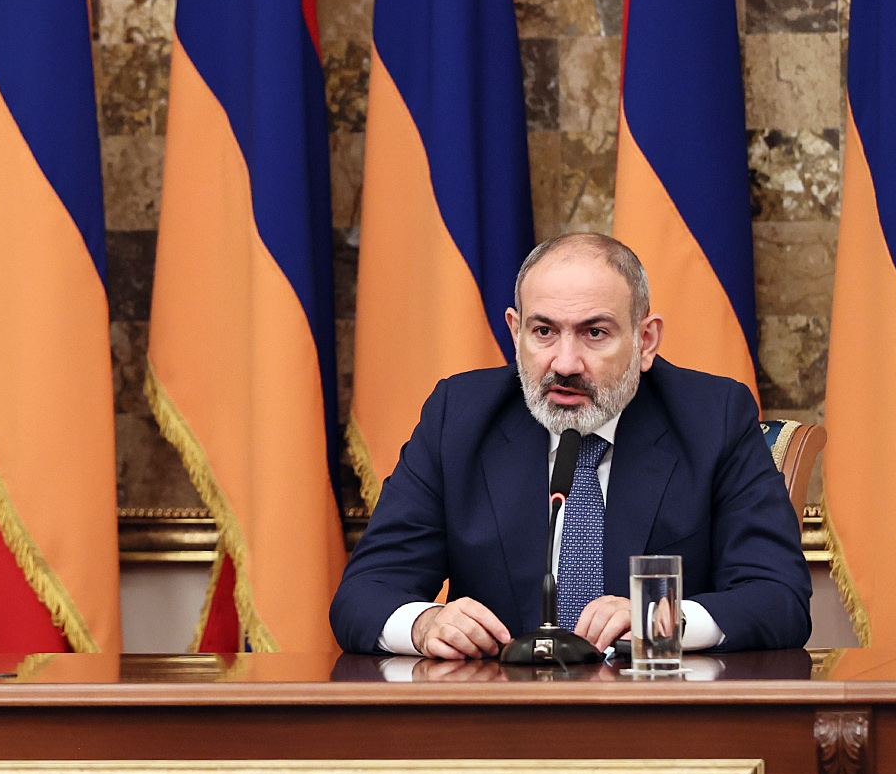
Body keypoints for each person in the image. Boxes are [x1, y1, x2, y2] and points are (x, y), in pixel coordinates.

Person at [330, 232, 811, 659]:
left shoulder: (712, 417)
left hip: (658, 714)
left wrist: (661, 619)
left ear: (645, 341)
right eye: (544, 332)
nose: (565, 363)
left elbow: (779, 597)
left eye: (594, 333)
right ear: (515, 332)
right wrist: (423, 624)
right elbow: (364, 593)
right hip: (499, 715)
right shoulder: (458, 417)